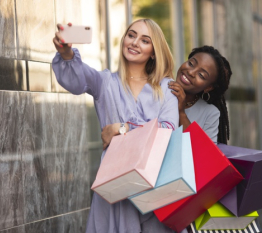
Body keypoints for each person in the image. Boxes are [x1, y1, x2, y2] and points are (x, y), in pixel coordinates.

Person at [52, 19, 186, 233]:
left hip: (155, 188)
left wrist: (121, 129)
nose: (134, 43)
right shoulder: (105, 82)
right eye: (131, 35)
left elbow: (166, 133)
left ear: (153, 51)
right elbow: (77, 80)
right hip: (115, 187)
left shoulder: (166, 88)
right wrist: (66, 53)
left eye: (144, 40)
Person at [168, 45, 232, 144]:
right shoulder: (159, 89)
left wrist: (181, 113)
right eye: (191, 63)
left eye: (201, 75)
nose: (191, 72)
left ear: (208, 87)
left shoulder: (210, 113)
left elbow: (204, 154)